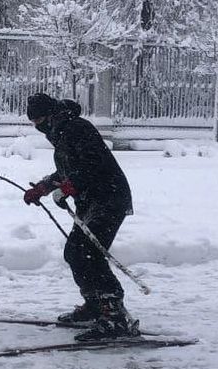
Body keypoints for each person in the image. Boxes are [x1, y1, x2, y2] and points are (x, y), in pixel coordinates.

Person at [22, 92, 137, 341]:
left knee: (89, 254)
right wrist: (43, 188)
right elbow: (68, 168)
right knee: (75, 252)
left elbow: (91, 165)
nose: (38, 127)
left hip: (109, 198)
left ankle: (114, 315)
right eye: (34, 122)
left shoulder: (76, 128)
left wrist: (69, 188)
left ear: (50, 115)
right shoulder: (63, 132)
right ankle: (95, 305)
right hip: (92, 200)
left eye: (39, 120)